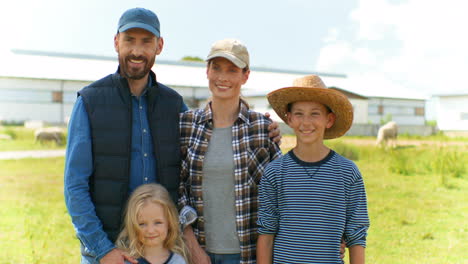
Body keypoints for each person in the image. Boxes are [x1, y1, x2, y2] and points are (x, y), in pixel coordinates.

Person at [64, 8, 280, 264]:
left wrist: (263, 126)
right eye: (129, 40)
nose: (137, 50)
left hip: (162, 252)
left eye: (146, 41)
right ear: (116, 42)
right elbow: (75, 186)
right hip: (111, 251)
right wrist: (102, 249)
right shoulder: (90, 101)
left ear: (159, 46)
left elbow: (211, 134)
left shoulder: (173, 105)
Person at [178, 39, 283, 264]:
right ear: (207, 71)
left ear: (245, 76)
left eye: (232, 70)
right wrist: (193, 248)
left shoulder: (263, 129)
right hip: (197, 253)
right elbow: (176, 190)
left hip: (249, 254)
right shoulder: (185, 125)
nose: (222, 77)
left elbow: (281, 196)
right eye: (216, 68)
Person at [256, 75, 370, 264]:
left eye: (315, 113)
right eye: (299, 114)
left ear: (329, 119)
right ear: (289, 118)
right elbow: (266, 234)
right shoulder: (275, 172)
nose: (306, 122)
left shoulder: (348, 172)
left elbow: (357, 236)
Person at [116, 183, 188, 264]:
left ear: (169, 222)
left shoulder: (177, 261)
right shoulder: (127, 261)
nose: (150, 231)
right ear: (133, 225)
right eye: (142, 224)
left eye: (158, 222)